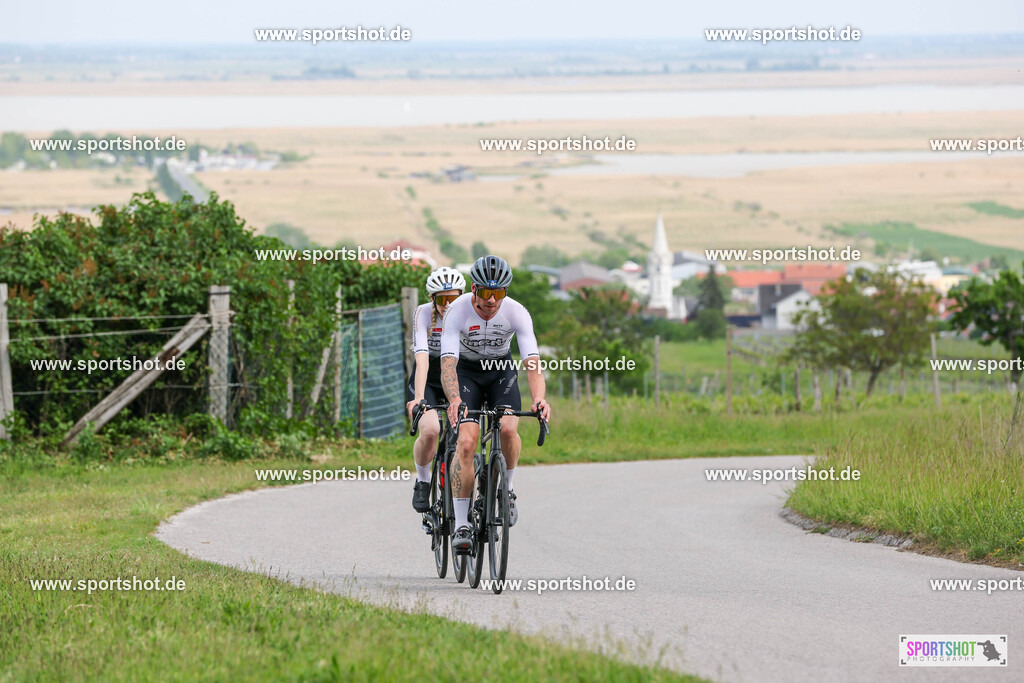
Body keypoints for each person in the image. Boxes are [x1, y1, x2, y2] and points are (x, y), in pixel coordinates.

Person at [439, 255, 551, 552]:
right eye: (486, 292)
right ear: (473, 288)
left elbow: (532, 361)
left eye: (498, 293)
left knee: (509, 430)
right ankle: (462, 523)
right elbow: (448, 363)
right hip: (467, 373)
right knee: (466, 442)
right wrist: (454, 400)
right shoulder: (457, 311)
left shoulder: (517, 313)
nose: (491, 300)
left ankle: (507, 490)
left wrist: (539, 398)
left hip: (500, 371)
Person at [406, 266, 464, 513]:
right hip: (428, 378)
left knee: (466, 434)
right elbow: (421, 360)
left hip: (459, 376)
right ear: (433, 299)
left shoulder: (469, 313)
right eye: (443, 299)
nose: (449, 305)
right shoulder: (422, 313)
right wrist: (419, 398)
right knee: (430, 430)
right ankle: (422, 480)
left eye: (454, 298)